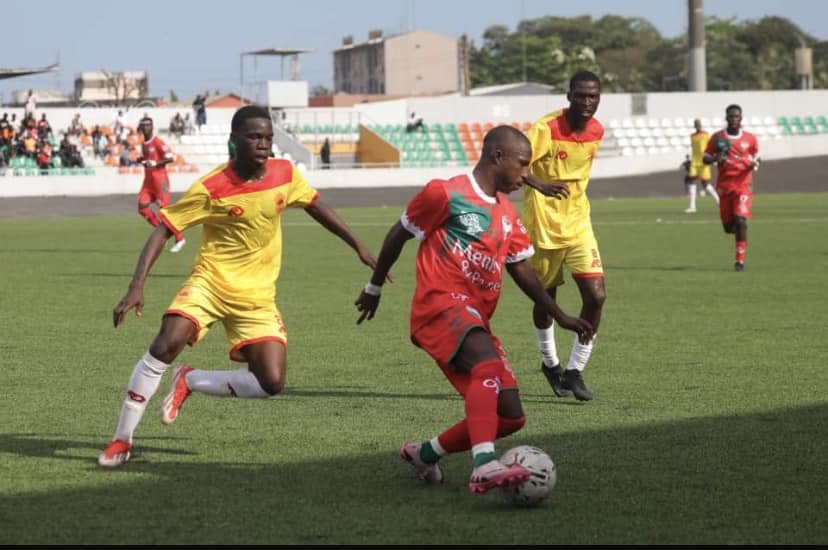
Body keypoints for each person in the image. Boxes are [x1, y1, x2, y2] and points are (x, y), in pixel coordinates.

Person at [98, 105, 380, 468]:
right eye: (254, 137)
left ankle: (192, 380)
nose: (263, 144)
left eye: (267, 137)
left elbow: (315, 205)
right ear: (234, 140)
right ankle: (122, 440)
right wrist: (136, 285)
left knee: (271, 382)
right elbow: (164, 229)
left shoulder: (284, 172)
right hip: (210, 285)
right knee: (166, 343)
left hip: (257, 297)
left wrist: (357, 244)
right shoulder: (212, 187)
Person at [354, 126, 593, 494]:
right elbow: (398, 234)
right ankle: (484, 463)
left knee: (511, 416)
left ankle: (426, 453)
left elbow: (522, 269)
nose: (526, 174)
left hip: (475, 317)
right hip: (440, 305)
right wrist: (374, 286)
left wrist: (558, 315)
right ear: (498, 156)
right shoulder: (445, 192)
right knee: (487, 366)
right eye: (523, 164)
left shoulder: (507, 214)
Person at [521, 70, 606, 402]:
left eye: (593, 96)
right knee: (546, 299)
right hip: (543, 226)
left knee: (596, 296)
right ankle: (550, 363)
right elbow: (517, 164)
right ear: (569, 96)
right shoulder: (546, 128)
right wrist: (541, 185)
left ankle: (574, 371)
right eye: (581, 95)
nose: (587, 102)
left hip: (579, 225)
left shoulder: (597, 130)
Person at [703, 104, 760, 272]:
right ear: (726, 118)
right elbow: (705, 157)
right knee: (729, 228)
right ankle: (740, 233)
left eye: (737, 117)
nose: (734, 119)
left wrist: (755, 162)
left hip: (743, 186)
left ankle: (739, 261)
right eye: (731, 116)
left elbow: (757, 156)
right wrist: (715, 158)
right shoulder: (718, 138)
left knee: (740, 220)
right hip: (724, 187)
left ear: (741, 119)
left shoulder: (750, 138)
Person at [134, 116, 186, 253]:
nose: (145, 128)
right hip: (148, 181)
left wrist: (156, 163)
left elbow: (170, 158)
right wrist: (142, 160)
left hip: (159, 180)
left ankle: (180, 238)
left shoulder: (157, 142)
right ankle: (162, 232)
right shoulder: (144, 144)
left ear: (152, 127)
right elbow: (148, 159)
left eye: (147, 126)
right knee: (142, 207)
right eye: (142, 126)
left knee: (165, 211)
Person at [681, 119, 719, 213]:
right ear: (694, 125)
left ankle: (719, 201)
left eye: (699, 124)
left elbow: (711, 145)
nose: (697, 125)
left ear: (701, 125)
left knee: (705, 184)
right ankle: (692, 206)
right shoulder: (692, 136)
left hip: (704, 161)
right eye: (696, 124)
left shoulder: (706, 134)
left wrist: (712, 158)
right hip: (695, 162)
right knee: (691, 180)